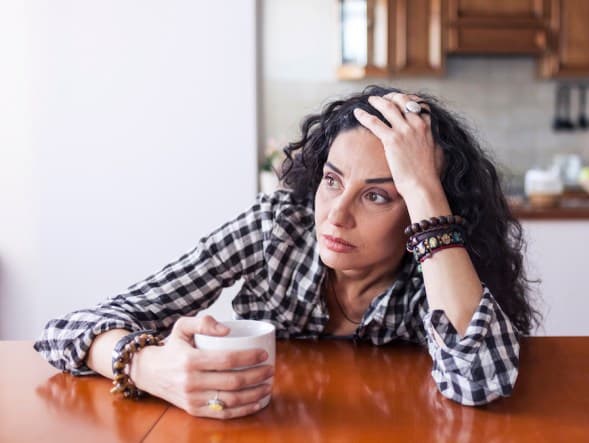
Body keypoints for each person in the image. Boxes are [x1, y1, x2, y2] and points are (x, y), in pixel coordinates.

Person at [34, 85, 541, 419]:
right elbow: (64, 330)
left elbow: (480, 380)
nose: (335, 216)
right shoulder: (277, 228)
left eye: (379, 195)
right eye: (332, 181)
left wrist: (426, 191)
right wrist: (148, 368)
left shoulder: (433, 272)